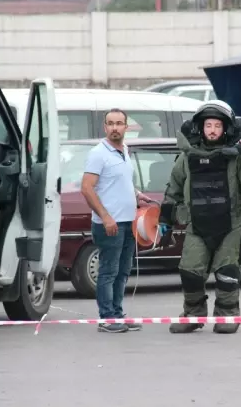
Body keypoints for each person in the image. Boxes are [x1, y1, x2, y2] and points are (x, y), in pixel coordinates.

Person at [157, 100, 241, 334]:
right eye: (208, 125)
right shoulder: (187, 157)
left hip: (230, 226)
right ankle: (193, 315)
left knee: (228, 273)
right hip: (197, 226)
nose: (213, 130)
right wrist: (164, 219)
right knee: (190, 272)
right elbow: (173, 189)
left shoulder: (236, 158)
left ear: (225, 128)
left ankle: (227, 316)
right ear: (201, 128)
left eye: (217, 125)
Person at [81, 108, 153, 333]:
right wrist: (105, 216)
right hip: (109, 224)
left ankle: (117, 314)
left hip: (128, 222)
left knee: (123, 271)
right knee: (108, 271)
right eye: (110, 124)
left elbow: (120, 182)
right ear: (105, 127)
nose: (115, 128)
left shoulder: (124, 150)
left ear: (126, 127)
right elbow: (87, 188)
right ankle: (107, 318)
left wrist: (137, 194)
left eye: (119, 123)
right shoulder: (98, 153)